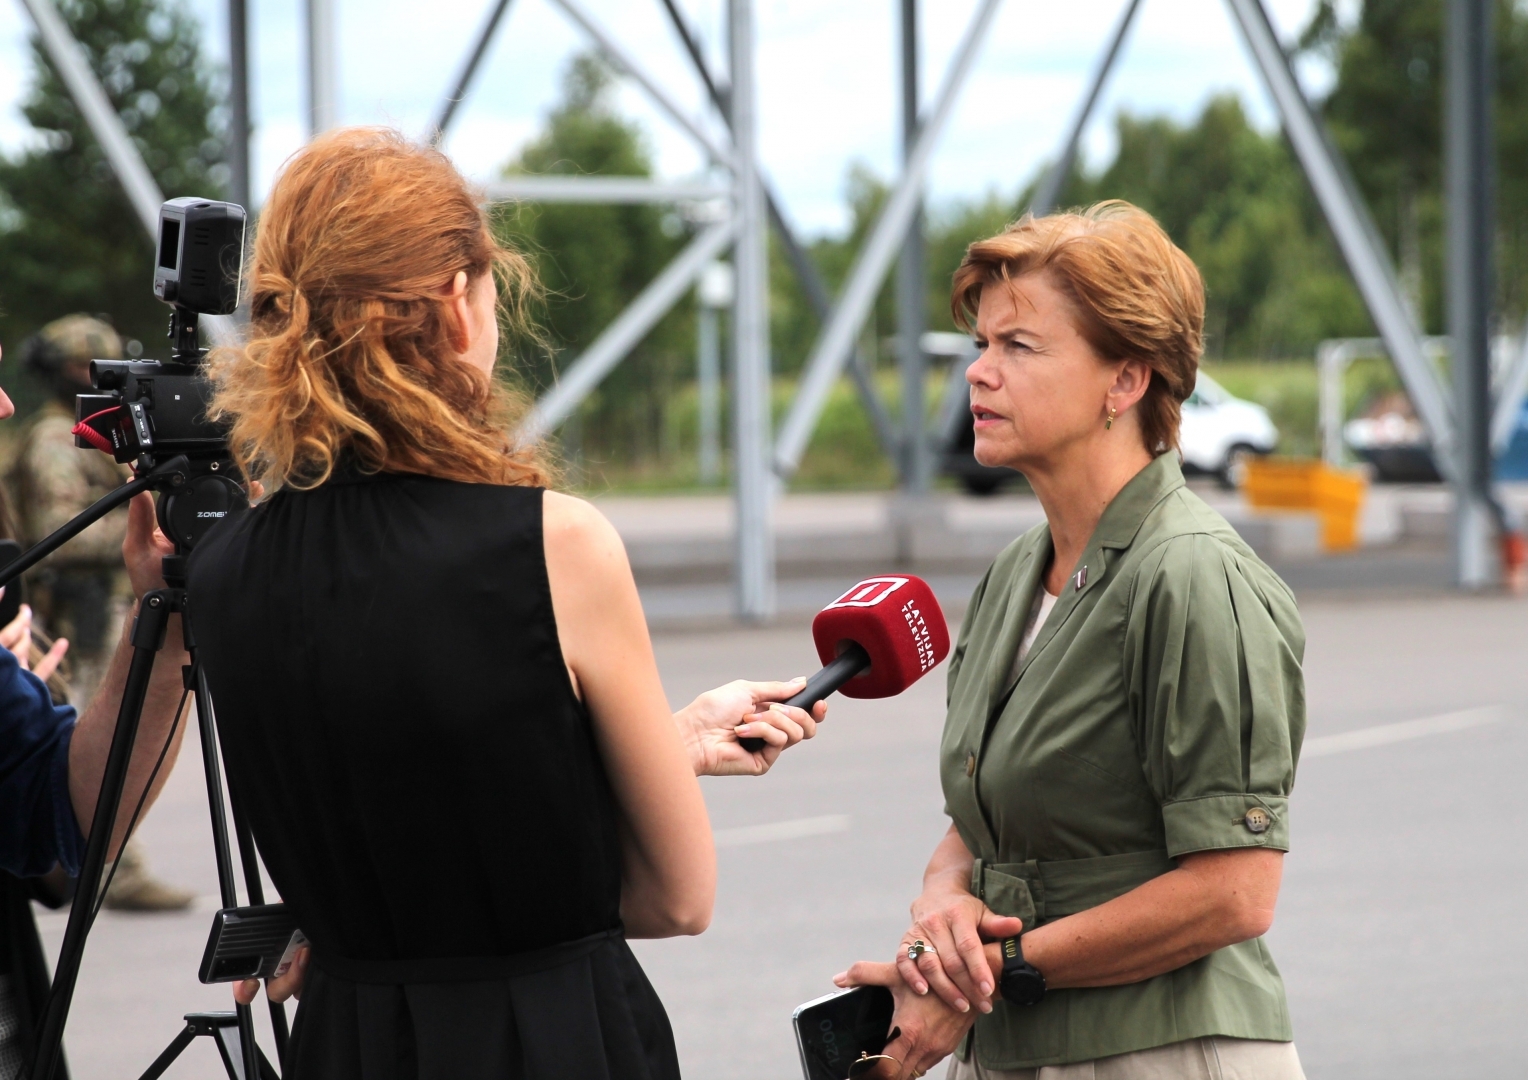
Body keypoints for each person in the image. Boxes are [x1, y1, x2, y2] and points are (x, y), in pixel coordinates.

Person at [184, 127, 826, 1080]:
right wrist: (647, 775)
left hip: (347, 1043)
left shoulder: (223, 568)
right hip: (548, 1039)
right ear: (455, 302)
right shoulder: (555, 544)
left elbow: (407, 806)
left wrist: (668, 739)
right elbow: (673, 900)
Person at [835, 203, 1306, 1080]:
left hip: (1161, 1052)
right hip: (1020, 1051)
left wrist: (990, 977)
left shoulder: (1194, 575)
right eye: (981, 345)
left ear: (1125, 382)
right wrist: (940, 910)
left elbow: (1235, 892)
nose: (978, 374)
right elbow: (986, 822)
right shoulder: (1018, 572)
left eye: (1018, 346)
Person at [0, 341, 194, 1076]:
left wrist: (166, 611)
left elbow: (70, 811)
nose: (4, 405)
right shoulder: (52, 440)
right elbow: (56, 527)